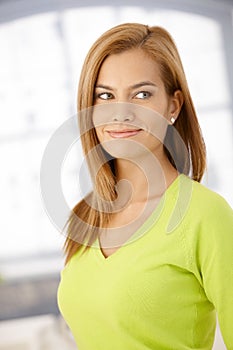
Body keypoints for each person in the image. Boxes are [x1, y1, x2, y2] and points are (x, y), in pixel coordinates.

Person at [57, 23, 233, 350]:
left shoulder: (206, 216)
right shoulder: (86, 215)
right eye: (105, 95)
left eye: (142, 94)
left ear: (173, 106)